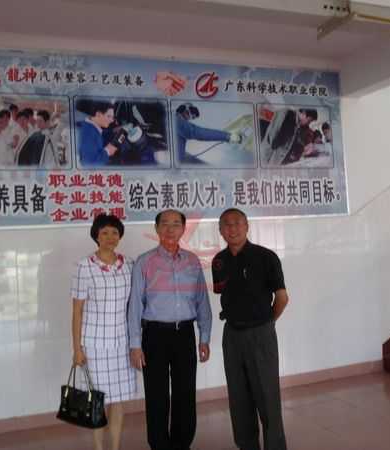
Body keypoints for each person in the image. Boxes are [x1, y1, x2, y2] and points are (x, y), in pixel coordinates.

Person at [128, 209, 212, 450]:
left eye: (176, 224)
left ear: (183, 229)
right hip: (154, 335)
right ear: (156, 229)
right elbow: (135, 305)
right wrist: (135, 345)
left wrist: (204, 337)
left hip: (184, 334)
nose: (170, 229)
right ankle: (159, 444)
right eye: (164, 224)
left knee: (185, 393)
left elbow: (202, 301)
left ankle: (182, 443)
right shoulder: (144, 261)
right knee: (156, 395)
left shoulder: (192, 261)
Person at [211, 208, 289, 450]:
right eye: (226, 224)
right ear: (220, 230)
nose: (232, 228)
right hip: (232, 335)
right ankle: (247, 445)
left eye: (237, 223)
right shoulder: (219, 261)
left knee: (267, 396)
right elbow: (223, 293)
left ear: (247, 226)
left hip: (260, 333)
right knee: (238, 396)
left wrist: (267, 323)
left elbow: (282, 298)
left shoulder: (266, 257)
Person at [71, 214, 137, 450]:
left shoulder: (129, 265)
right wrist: (77, 349)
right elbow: (77, 310)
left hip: (122, 344)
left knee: (118, 401)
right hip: (95, 345)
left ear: (120, 236)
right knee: (96, 402)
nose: (110, 237)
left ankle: (115, 447)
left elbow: (135, 305)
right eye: (105, 233)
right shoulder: (84, 266)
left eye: (115, 233)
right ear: (96, 236)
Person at [175, 103, 241, 164]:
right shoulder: (177, 121)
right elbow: (198, 133)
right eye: (188, 114)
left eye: (192, 117)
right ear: (183, 110)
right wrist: (227, 136)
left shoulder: (179, 130)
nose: (188, 118)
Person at [78, 101, 120, 166]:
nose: (112, 120)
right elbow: (89, 164)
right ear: (98, 114)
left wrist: (113, 131)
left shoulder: (90, 126)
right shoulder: (88, 134)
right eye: (109, 116)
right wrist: (107, 152)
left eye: (112, 117)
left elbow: (100, 135)